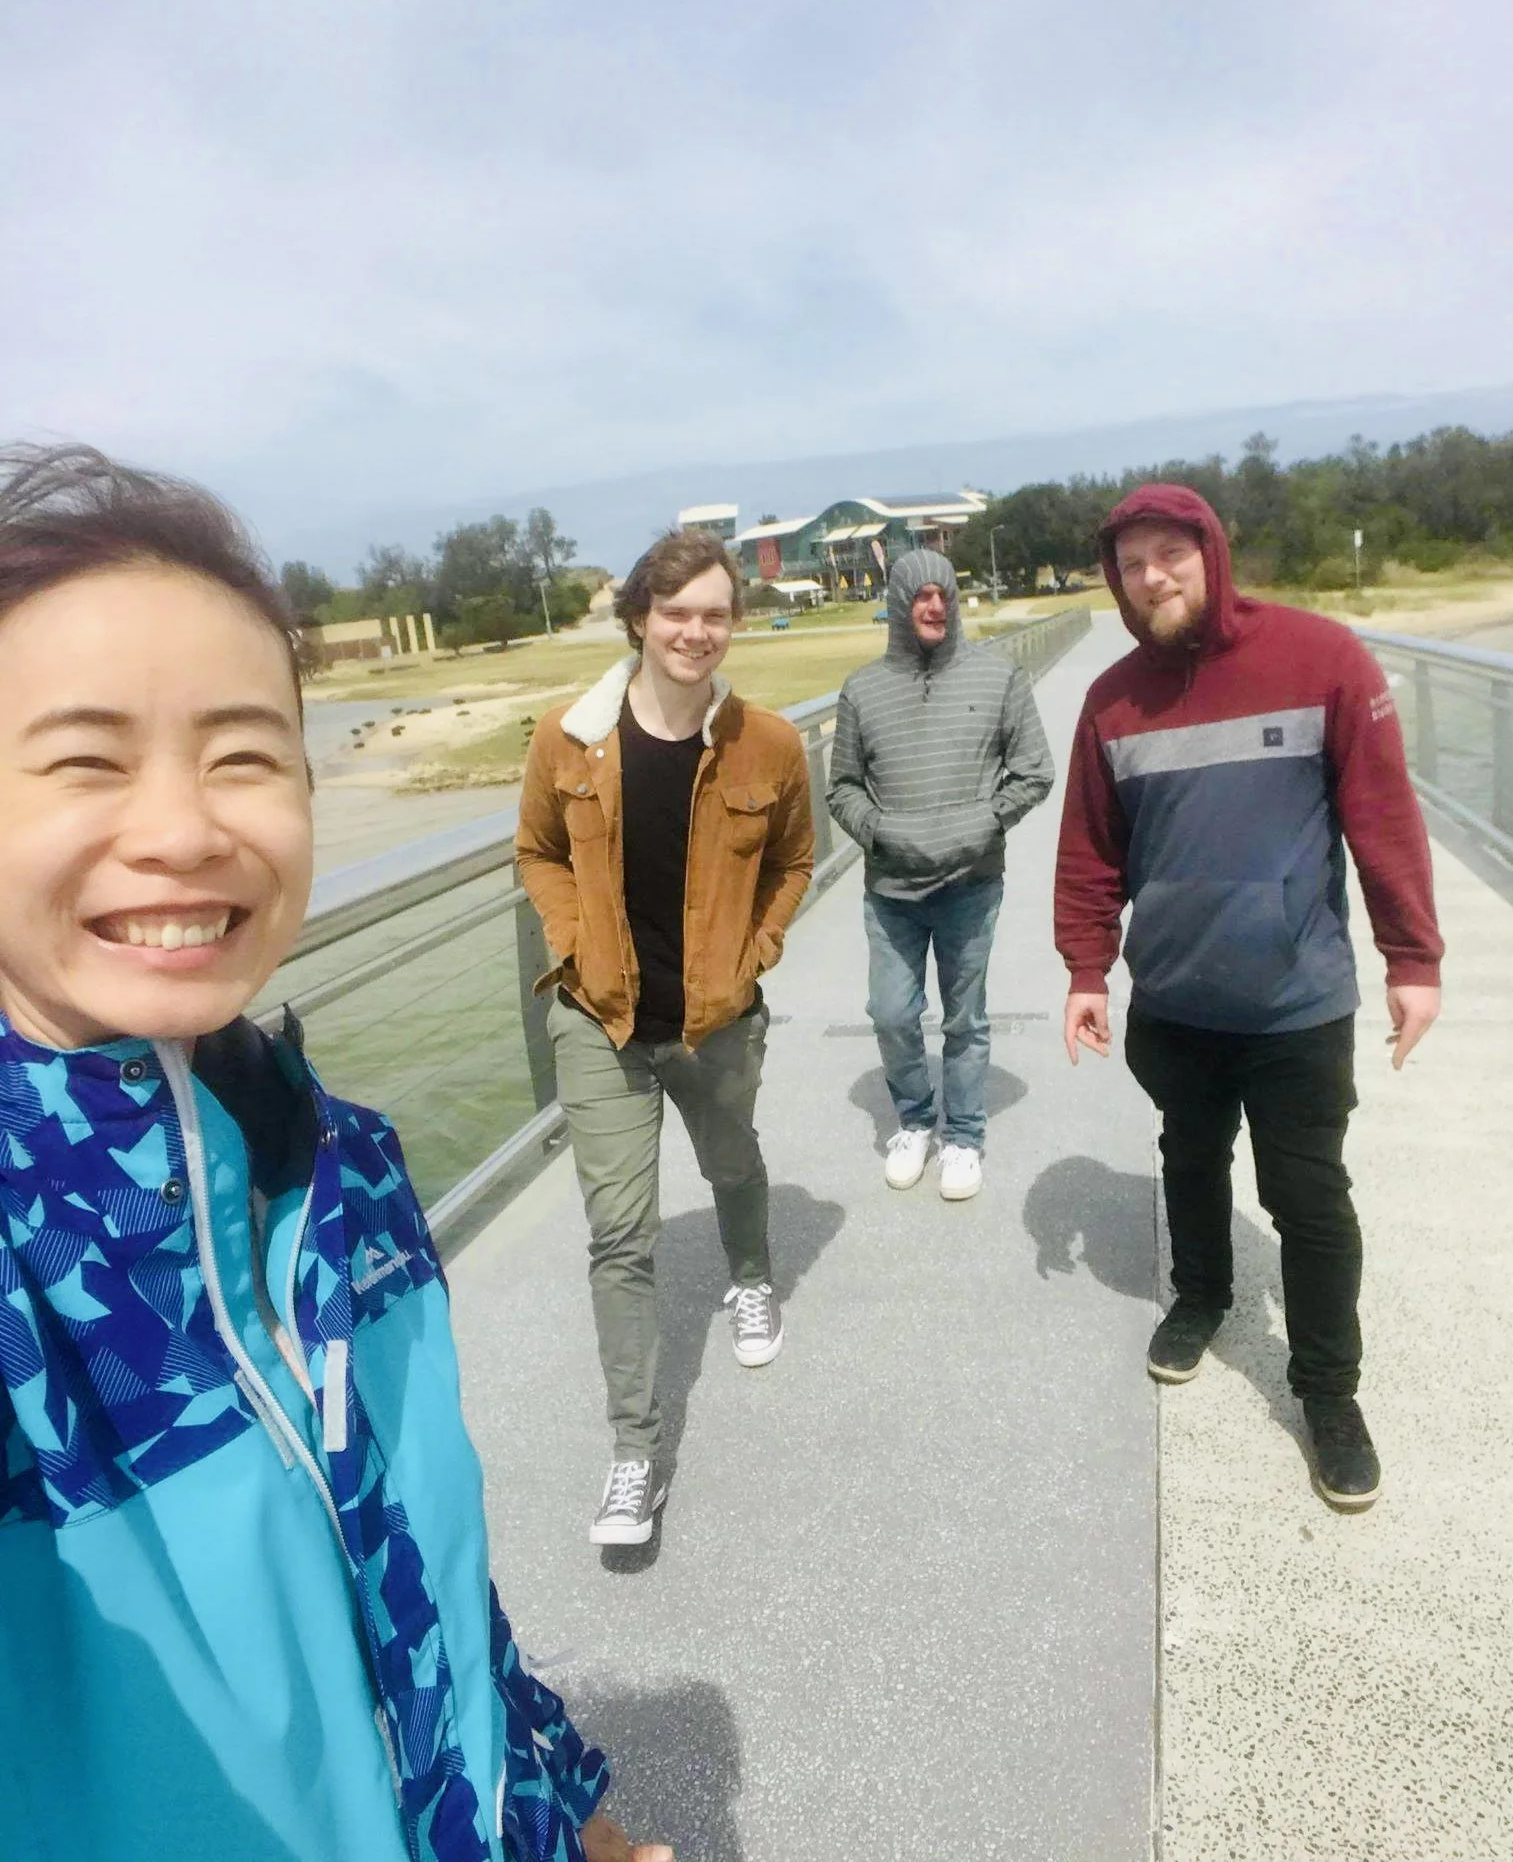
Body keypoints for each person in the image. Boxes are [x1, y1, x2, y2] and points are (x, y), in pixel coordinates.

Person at [0, 445, 670, 1862]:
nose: (184, 830)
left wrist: (566, 1811)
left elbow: (425, 1588)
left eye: (246, 755)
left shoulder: (345, 1171)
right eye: (85, 762)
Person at [1054, 483, 1442, 1511]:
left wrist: (1414, 958)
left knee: (1308, 1198)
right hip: (1175, 998)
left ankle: (1328, 1390)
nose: (1151, 579)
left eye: (1167, 556)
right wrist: (1087, 970)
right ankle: (1202, 1295)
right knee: (1189, 1155)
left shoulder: (1321, 659)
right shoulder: (1112, 700)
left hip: (1296, 1004)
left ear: (1209, 552)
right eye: (1131, 564)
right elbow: (1091, 851)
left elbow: (1383, 816)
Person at [516, 530, 814, 1548]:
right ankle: (635, 1450)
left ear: (732, 623)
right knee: (620, 1237)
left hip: (716, 1020)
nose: (696, 629)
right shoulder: (568, 736)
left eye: (715, 612)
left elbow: (793, 860)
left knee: (733, 1160)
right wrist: (570, 937)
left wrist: (755, 952)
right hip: (599, 1019)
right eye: (676, 609)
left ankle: (750, 1274)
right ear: (640, 615)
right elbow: (539, 850)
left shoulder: (767, 744)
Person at [827, 549, 1055, 1200]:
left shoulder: (998, 677)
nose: (933, 606)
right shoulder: (863, 689)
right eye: (920, 595)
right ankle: (915, 1121)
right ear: (898, 603)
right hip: (891, 891)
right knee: (891, 1013)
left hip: (970, 884)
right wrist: (879, 831)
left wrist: (982, 823)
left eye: (943, 594)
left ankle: (964, 1138)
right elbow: (842, 785)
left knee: (965, 1020)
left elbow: (1034, 770)